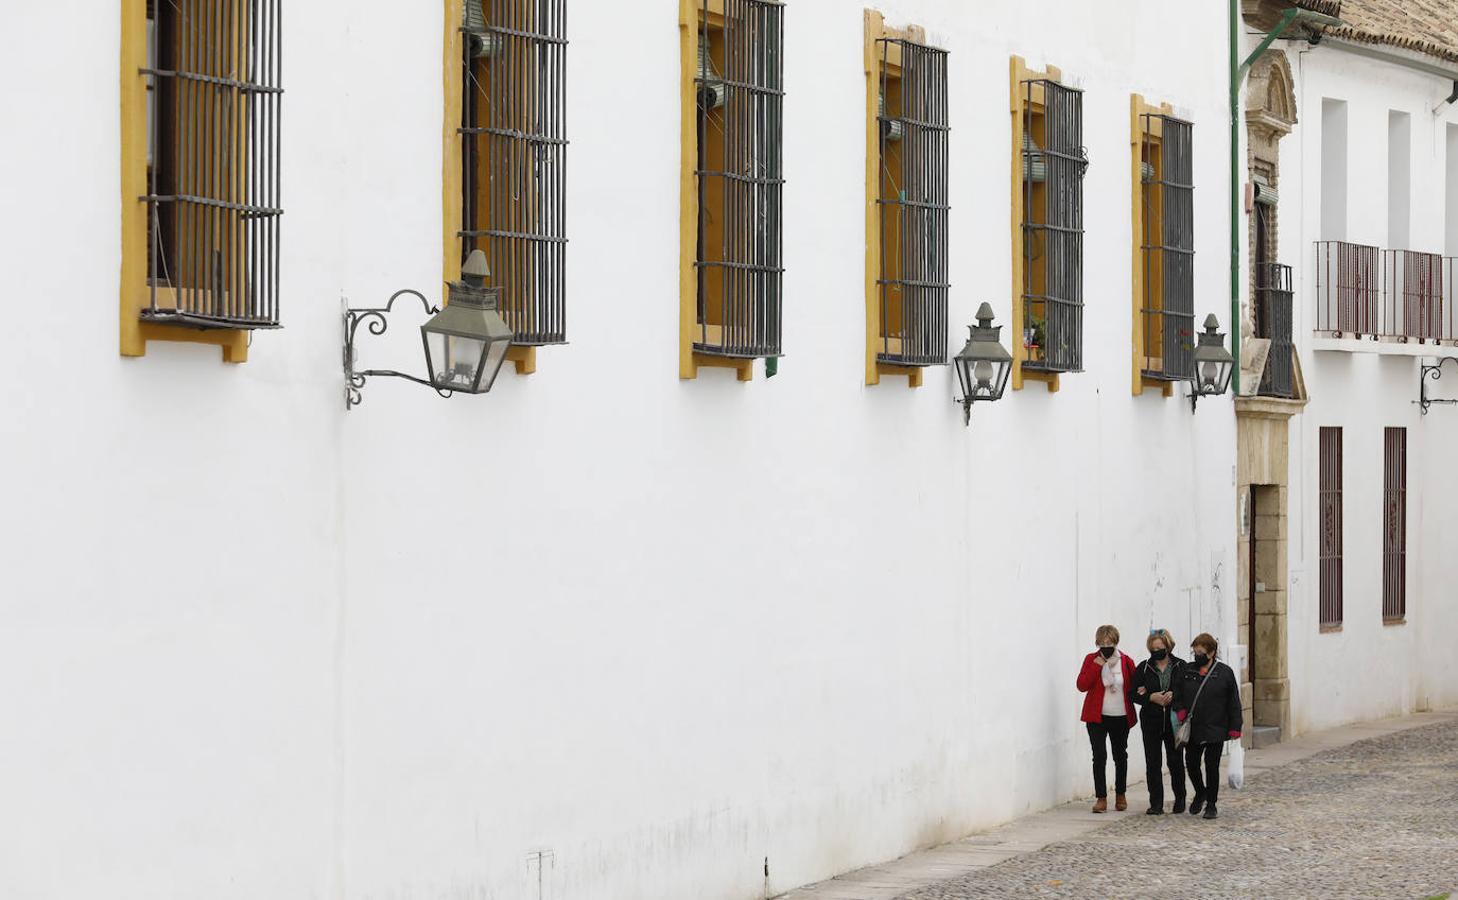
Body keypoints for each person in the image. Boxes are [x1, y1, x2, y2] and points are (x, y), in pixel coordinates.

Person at [1173, 633, 1242, 820]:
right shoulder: (1187, 671)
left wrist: (1236, 727)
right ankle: (1200, 792)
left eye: (1201, 652)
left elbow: (1233, 702)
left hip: (1216, 727)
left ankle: (1211, 804)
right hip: (1193, 727)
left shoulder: (1224, 673)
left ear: (1211, 652)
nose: (1197, 655)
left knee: (1212, 767)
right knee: (1192, 764)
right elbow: (1177, 693)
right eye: (1195, 651)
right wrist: (1179, 710)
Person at [1076, 625, 1138, 813]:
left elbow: (1135, 685)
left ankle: (1121, 795)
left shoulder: (1126, 661)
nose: (1106, 646)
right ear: (1097, 643)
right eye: (1102, 643)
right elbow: (1082, 685)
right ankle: (1101, 798)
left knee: (1120, 756)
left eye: (1109, 643)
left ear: (1116, 642)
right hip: (1097, 717)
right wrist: (1097, 665)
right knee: (1099, 756)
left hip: (1120, 716)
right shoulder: (1091, 659)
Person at [1131, 629, 1186, 814]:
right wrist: (1150, 697)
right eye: (1153, 648)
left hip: (1173, 721)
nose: (1157, 651)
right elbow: (1133, 693)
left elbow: (1188, 690)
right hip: (1151, 720)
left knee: (1175, 761)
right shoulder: (1144, 668)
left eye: (1160, 648)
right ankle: (1156, 803)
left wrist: (1175, 694)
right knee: (1153, 762)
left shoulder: (1180, 666)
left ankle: (1180, 799)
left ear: (1168, 647)